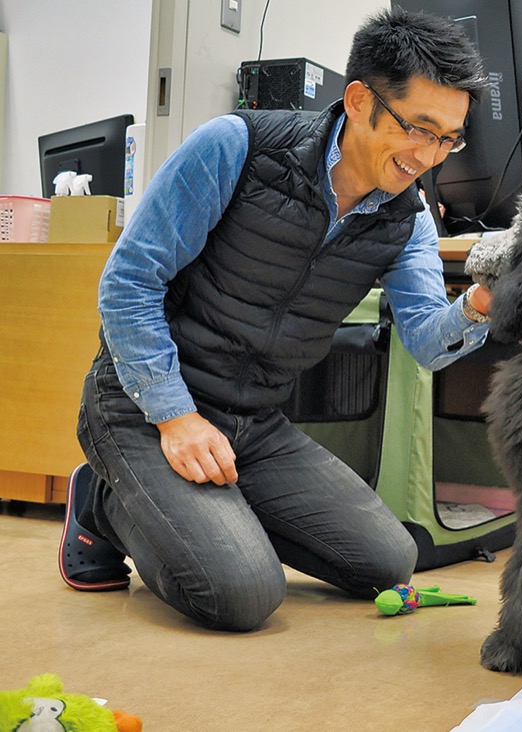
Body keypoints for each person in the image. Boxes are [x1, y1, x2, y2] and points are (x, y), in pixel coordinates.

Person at [59, 8, 495, 632]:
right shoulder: (236, 148)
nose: (428, 156)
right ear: (359, 100)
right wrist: (176, 416)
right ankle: (101, 499)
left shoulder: (409, 220)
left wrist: (480, 306)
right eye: (418, 128)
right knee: (240, 595)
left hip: (253, 423)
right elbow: (129, 282)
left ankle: (197, 513)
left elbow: (426, 341)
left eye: (448, 138)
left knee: (388, 560)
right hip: (142, 407)